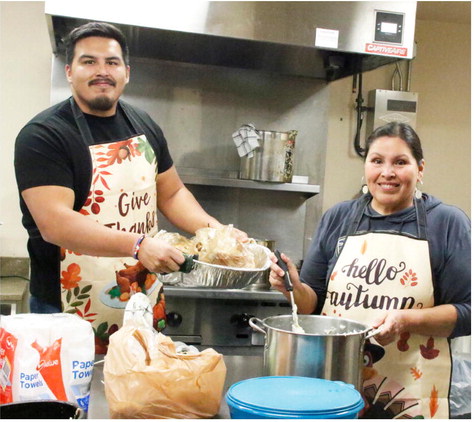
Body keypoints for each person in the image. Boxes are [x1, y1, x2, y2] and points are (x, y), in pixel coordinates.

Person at [14, 21, 245, 352]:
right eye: (88, 61)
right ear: (69, 71)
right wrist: (138, 245)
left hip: (141, 300)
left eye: (111, 62)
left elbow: (173, 193)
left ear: (126, 72)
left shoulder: (143, 124)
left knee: (140, 397)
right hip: (67, 308)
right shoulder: (43, 136)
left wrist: (218, 232)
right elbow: (55, 223)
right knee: (76, 401)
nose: (102, 71)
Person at [269, 122, 470, 419]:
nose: (387, 172)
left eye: (400, 162)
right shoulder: (338, 217)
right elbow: (313, 305)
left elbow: (467, 313)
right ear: (365, 167)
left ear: (420, 169)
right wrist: (294, 288)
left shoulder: (447, 223)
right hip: (335, 386)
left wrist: (406, 320)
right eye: (377, 161)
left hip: (412, 392)